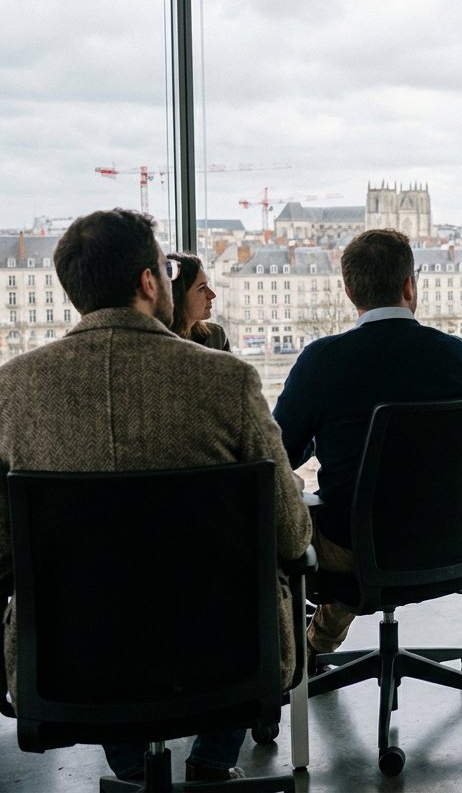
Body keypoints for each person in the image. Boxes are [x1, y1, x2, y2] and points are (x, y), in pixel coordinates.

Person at [0, 209, 311, 784]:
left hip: (70, 667)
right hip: (228, 657)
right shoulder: (229, 380)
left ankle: (135, 770)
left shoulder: (12, 390)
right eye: (167, 271)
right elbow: (291, 537)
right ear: (148, 282)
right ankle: (213, 765)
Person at [273, 228, 462, 672]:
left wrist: (320, 440)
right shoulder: (457, 354)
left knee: (283, 520)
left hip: (356, 548)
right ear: (410, 286)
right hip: (449, 539)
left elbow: (277, 456)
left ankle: (284, 660)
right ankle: (315, 642)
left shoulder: (322, 360)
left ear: (350, 292)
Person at [166, 251, 231, 351]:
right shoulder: (156, 344)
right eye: (201, 288)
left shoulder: (216, 337)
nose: (212, 295)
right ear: (177, 295)